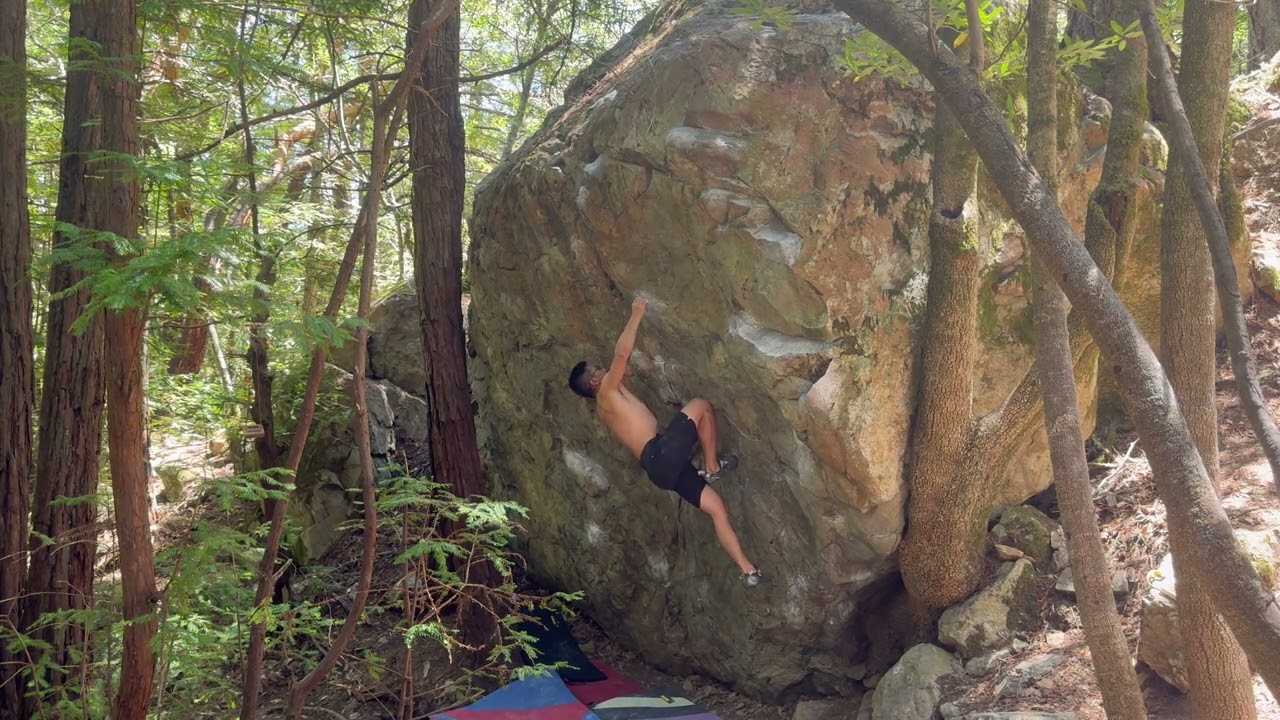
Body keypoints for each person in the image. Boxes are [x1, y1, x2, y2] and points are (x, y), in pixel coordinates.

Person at [568, 296, 764, 588]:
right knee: (701, 406)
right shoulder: (606, 392)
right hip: (660, 453)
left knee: (717, 510)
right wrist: (636, 313)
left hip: (658, 469)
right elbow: (621, 356)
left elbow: (623, 372)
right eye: (598, 368)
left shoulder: (609, 403)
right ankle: (712, 466)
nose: (604, 369)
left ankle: (748, 571)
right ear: (595, 381)